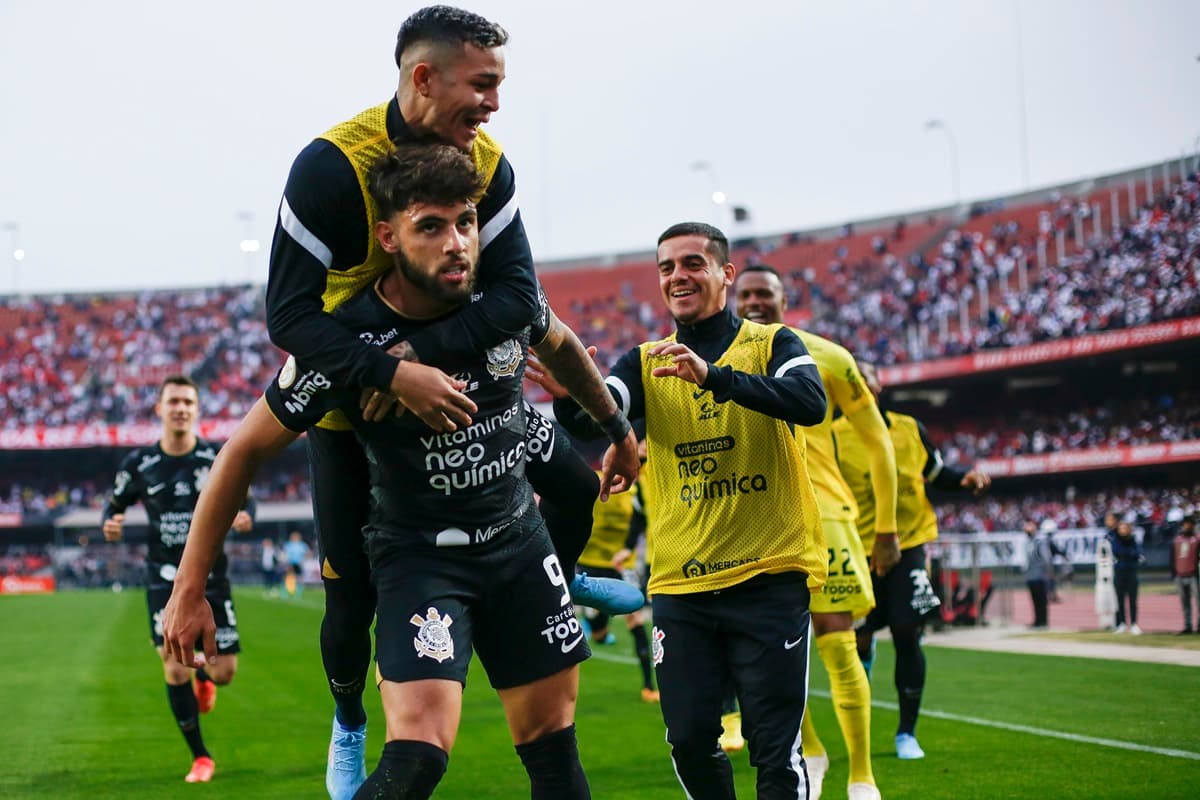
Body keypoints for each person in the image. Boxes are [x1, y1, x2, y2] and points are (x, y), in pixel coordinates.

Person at [262, 7, 639, 796]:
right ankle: (349, 720)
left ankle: (557, 584)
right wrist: (384, 374)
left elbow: (522, 300)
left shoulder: (487, 162)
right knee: (349, 599)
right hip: (351, 407)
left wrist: (420, 359)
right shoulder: (332, 167)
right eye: (483, 84)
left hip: (468, 387)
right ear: (423, 79)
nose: (495, 104)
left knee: (570, 486)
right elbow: (289, 318)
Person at [165, 143, 604, 799]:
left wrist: (619, 434)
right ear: (387, 236)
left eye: (466, 223)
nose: (457, 244)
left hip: (518, 545)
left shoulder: (505, 301)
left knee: (555, 759)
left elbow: (562, 344)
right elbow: (242, 451)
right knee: (415, 762)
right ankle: (349, 722)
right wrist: (189, 584)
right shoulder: (348, 342)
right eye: (431, 226)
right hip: (420, 561)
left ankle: (578, 580)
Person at [552, 222, 829, 798]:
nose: (677, 275)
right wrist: (568, 391)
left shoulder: (775, 343)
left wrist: (716, 377)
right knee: (688, 739)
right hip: (682, 586)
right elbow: (594, 416)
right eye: (666, 267)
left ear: (725, 274)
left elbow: (809, 403)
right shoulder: (646, 361)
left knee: (775, 750)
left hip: (769, 574)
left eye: (692, 263)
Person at [733, 264, 899, 800]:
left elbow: (877, 440)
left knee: (837, 640)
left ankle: (862, 774)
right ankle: (811, 749)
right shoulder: (717, 357)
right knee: (773, 653)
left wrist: (888, 528)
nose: (755, 302)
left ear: (785, 299)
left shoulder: (827, 356)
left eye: (766, 293)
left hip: (825, 514)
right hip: (757, 519)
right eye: (747, 294)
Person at [832, 363, 990, 761]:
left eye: (862, 377)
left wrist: (964, 479)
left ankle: (906, 733)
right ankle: (861, 712)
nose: (857, 385)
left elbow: (936, 473)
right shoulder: (832, 437)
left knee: (907, 631)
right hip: (858, 550)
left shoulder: (909, 428)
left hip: (909, 544)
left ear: (878, 384)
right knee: (859, 639)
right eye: (848, 378)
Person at [101, 375, 255, 784]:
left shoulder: (215, 458)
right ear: (160, 408)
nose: (181, 408)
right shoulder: (139, 464)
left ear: (197, 408)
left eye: (188, 401)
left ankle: (207, 677)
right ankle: (201, 757)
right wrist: (110, 523)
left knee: (224, 672)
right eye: (174, 401)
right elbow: (113, 504)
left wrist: (244, 515)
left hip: (211, 580)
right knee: (173, 666)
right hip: (163, 580)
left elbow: (245, 495)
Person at [1109, 519, 1145, 634]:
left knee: (1133, 600)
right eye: (1120, 529)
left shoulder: (1134, 540)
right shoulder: (1115, 540)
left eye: (1124, 528)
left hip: (1131, 572)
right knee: (1120, 600)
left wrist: (1128, 554)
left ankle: (1134, 624)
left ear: (1129, 529)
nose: (1122, 531)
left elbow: (1138, 553)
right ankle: (1122, 623)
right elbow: (1116, 551)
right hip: (1119, 572)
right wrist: (1129, 554)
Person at [1170, 516, 1199, 634]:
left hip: (1194, 575)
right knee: (1184, 603)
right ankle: (1188, 626)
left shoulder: (1197, 539)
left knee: (1198, 601)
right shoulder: (1177, 540)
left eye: (1189, 524)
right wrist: (1173, 573)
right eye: (1185, 524)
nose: (1187, 526)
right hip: (1180, 575)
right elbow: (1172, 558)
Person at [1022, 520, 1052, 628]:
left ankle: (1043, 621)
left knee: (1041, 600)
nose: (1027, 528)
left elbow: (1046, 559)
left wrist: (1048, 572)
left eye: (1029, 526)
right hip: (1030, 576)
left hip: (1039, 576)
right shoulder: (1028, 542)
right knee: (1034, 600)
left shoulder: (1039, 542)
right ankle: (1037, 621)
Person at [283, 531, 310, 598]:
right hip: (290, 564)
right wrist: (287, 562)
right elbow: (285, 554)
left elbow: (307, 553)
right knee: (289, 578)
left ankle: (298, 593)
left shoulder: (302, 545)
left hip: (299, 563)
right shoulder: (288, 545)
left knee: (299, 578)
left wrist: (303, 560)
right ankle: (286, 592)